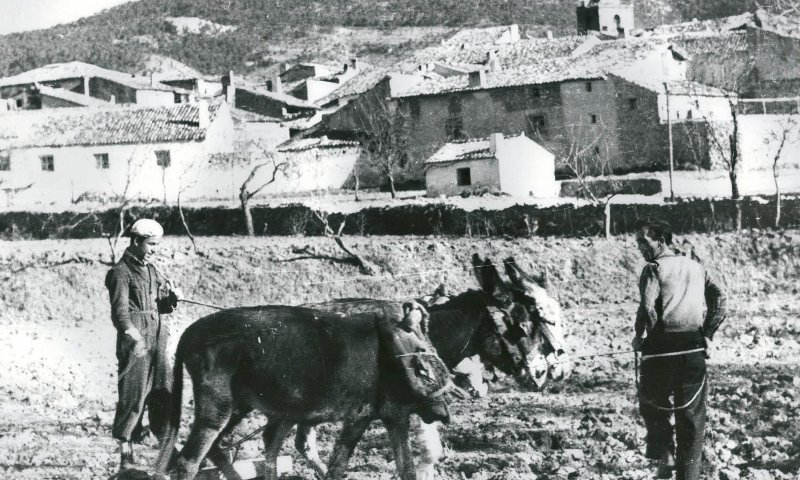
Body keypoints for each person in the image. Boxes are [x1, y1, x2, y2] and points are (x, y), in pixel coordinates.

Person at [631, 220, 727, 480]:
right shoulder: (696, 267)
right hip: (693, 349)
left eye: (643, 241)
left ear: (661, 241)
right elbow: (720, 299)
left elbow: (647, 308)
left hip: (661, 350)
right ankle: (689, 476)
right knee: (692, 417)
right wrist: (707, 334)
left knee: (651, 401)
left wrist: (641, 337)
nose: (639, 246)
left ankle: (665, 453)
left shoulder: (653, 268)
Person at [105, 219, 179, 471]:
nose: (155, 249)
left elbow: (162, 304)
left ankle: (168, 452)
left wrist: (171, 299)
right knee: (133, 396)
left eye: (157, 245)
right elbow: (120, 314)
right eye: (151, 244)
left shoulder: (152, 270)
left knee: (163, 393)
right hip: (135, 343)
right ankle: (125, 455)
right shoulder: (119, 273)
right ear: (136, 241)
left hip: (158, 341)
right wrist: (135, 339)